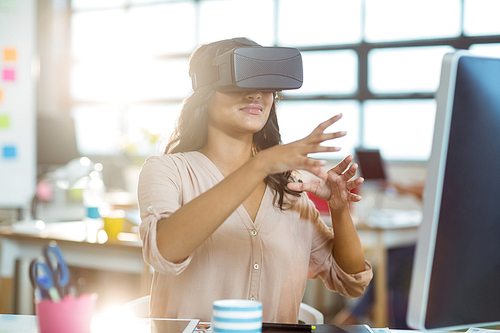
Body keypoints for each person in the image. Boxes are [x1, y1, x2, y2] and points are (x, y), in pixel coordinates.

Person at [137, 37, 373, 323]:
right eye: (240, 82)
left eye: (265, 83)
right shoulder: (167, 171)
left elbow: (351, 282)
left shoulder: (288, 187)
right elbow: (165, 249)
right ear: (205, 92)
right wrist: (261, 164)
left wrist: (339, 210)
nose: (255, 94)